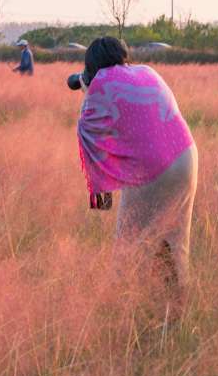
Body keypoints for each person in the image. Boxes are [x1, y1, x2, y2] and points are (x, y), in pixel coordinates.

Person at [76, 36, 197, 304]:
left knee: (128, 245)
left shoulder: (100, 83)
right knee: (175, 240)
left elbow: (89, 133)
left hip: (150, 168)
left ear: (92, 66)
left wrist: (87, 93)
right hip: (186, 157)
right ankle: (176, 313)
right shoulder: (146, 71)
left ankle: (127, 307)